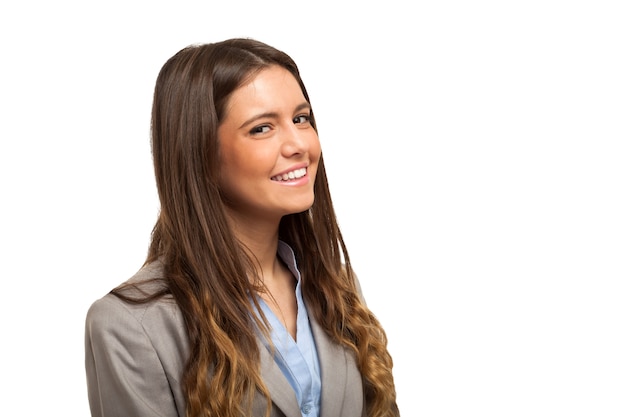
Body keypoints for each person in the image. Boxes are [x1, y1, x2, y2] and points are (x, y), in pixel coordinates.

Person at [84, 37, 400, 417]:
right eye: (262, 128)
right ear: (199, 152)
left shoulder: (338, 286)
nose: (299, 143)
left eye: (301, 119)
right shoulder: (133, 326)